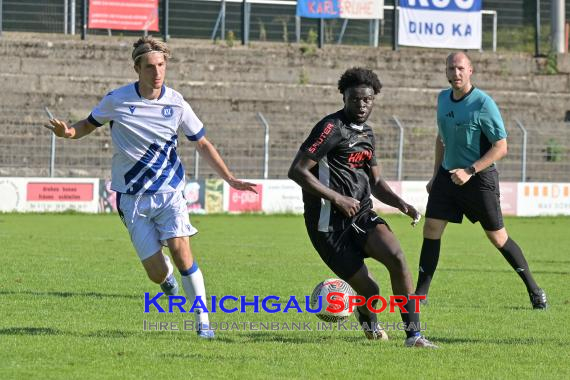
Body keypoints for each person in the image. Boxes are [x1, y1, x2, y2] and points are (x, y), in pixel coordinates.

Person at [44, 36, 257, 338]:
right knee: (156, 272)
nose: (157, 73)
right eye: (150, 67)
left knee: (183, 253)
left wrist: (230, 178)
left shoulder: (177, 102)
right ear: (137, 69)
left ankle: (203, 320)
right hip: (132, 199)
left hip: (170, 192)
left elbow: (203, 143)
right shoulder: (117, 100)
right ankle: (167, 281)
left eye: (161, 65)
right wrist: (67, 132)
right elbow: (88, 125)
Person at [288, 67, 437, 348]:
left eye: (367, 100)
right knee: (371, 290)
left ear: (374, 99)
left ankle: (414, 336)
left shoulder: (367, 133)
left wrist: (401, 203)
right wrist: (337, 198)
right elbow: (296, 171)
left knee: (397, 258)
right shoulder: (330, 128)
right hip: (327, 226)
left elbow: (376, 181)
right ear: (344, 97)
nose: (361, 105)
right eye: (355, 99)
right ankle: (369, 323)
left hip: (362, 214)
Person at [414, 52, 548, 309]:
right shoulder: (442, 99)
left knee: (498, 238)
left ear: (470, 71)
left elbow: (501, 146)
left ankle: (534, 289)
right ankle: (419, 295)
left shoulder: (483, 103)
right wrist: (435, 176)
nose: (456, 73)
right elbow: (440, 138)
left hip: (478, 178)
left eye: (460, 69)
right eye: (451, 68)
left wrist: (470, 171)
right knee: (431, 229)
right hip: (447, 175)